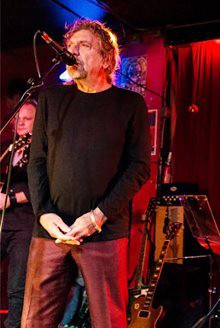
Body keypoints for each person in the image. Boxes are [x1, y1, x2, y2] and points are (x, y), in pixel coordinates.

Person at [22, 19, 151, 328]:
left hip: (103, 231)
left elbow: (139, 167)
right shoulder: (52, 99)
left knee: (108, 320)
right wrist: (43, 214)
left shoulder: (129, 104)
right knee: (34, 320)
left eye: (83, 46)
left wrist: (98, 216)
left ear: (107, 58)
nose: (73, 52)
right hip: (51, 230)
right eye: (71, 46)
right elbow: (36, 160)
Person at [0, 101, 36, 328]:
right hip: (3, 219)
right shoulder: (7, 146)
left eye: (27, 118)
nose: (20, 122)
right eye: (18, 117)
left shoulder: (42, 149)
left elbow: (42, 187)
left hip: (25, 221)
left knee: (17, 284)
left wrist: (11, 198)